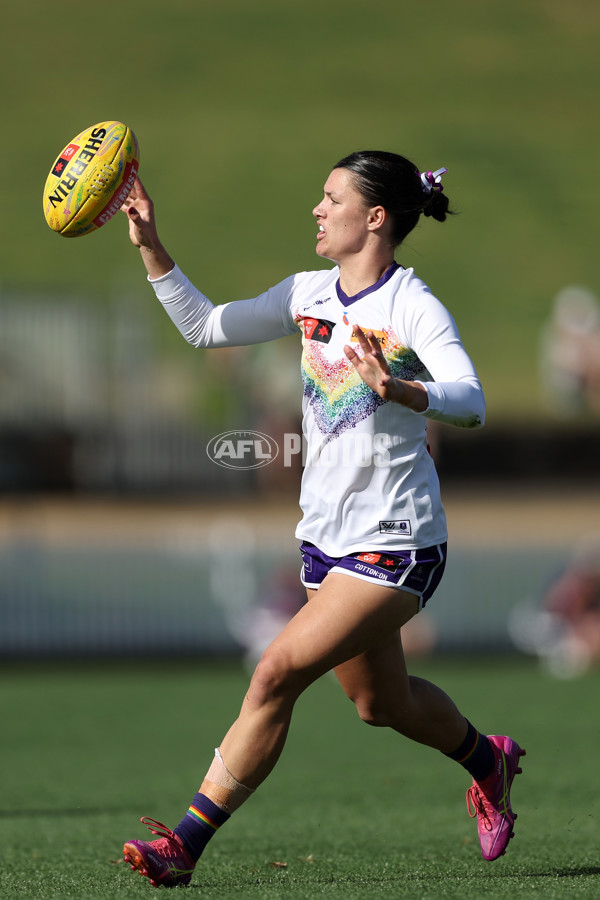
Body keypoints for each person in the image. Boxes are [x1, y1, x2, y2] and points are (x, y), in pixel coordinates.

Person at [120, 151, 525, 887]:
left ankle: (181, 844)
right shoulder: (308, 293)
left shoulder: (411, 304)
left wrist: (401, 389)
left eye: (331, 198)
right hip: (326, 545)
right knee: (381, 703)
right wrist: (151, 245)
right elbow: (206, 327)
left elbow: (472, 400)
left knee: (274, 671)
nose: (317, 208)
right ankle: (488, 761)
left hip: (399, 547)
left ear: (375, 218)